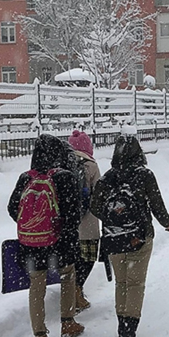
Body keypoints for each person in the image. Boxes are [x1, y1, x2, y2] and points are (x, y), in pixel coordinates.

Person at [90, 133, 169, 337]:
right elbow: (156, 202)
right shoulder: (144, 175)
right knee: (136, 284)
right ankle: (130, 331)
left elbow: (94, 206)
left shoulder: (107, 178)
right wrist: (166, 222)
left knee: (122, 283)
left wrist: (112, 218)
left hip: (113, 238)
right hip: (139, 237)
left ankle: (121, 327)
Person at [7, 134, 85, 337]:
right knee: (68, 276)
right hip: (59, 242)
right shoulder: (64, 177)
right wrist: (60, 232)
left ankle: (40, 336)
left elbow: (13, 208)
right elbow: (73, 214)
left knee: (36, 285)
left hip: (31, 244)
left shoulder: (25, 178)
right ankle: (68, 322)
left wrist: (33, 225)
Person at [67, 130, 101, 313]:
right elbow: (99, 193)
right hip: (88, 223)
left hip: (68, 223)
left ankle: (72, 291)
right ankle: (77, 290)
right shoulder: (91, 165)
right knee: (87, 258)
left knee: (72, 259)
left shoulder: (63, 164)